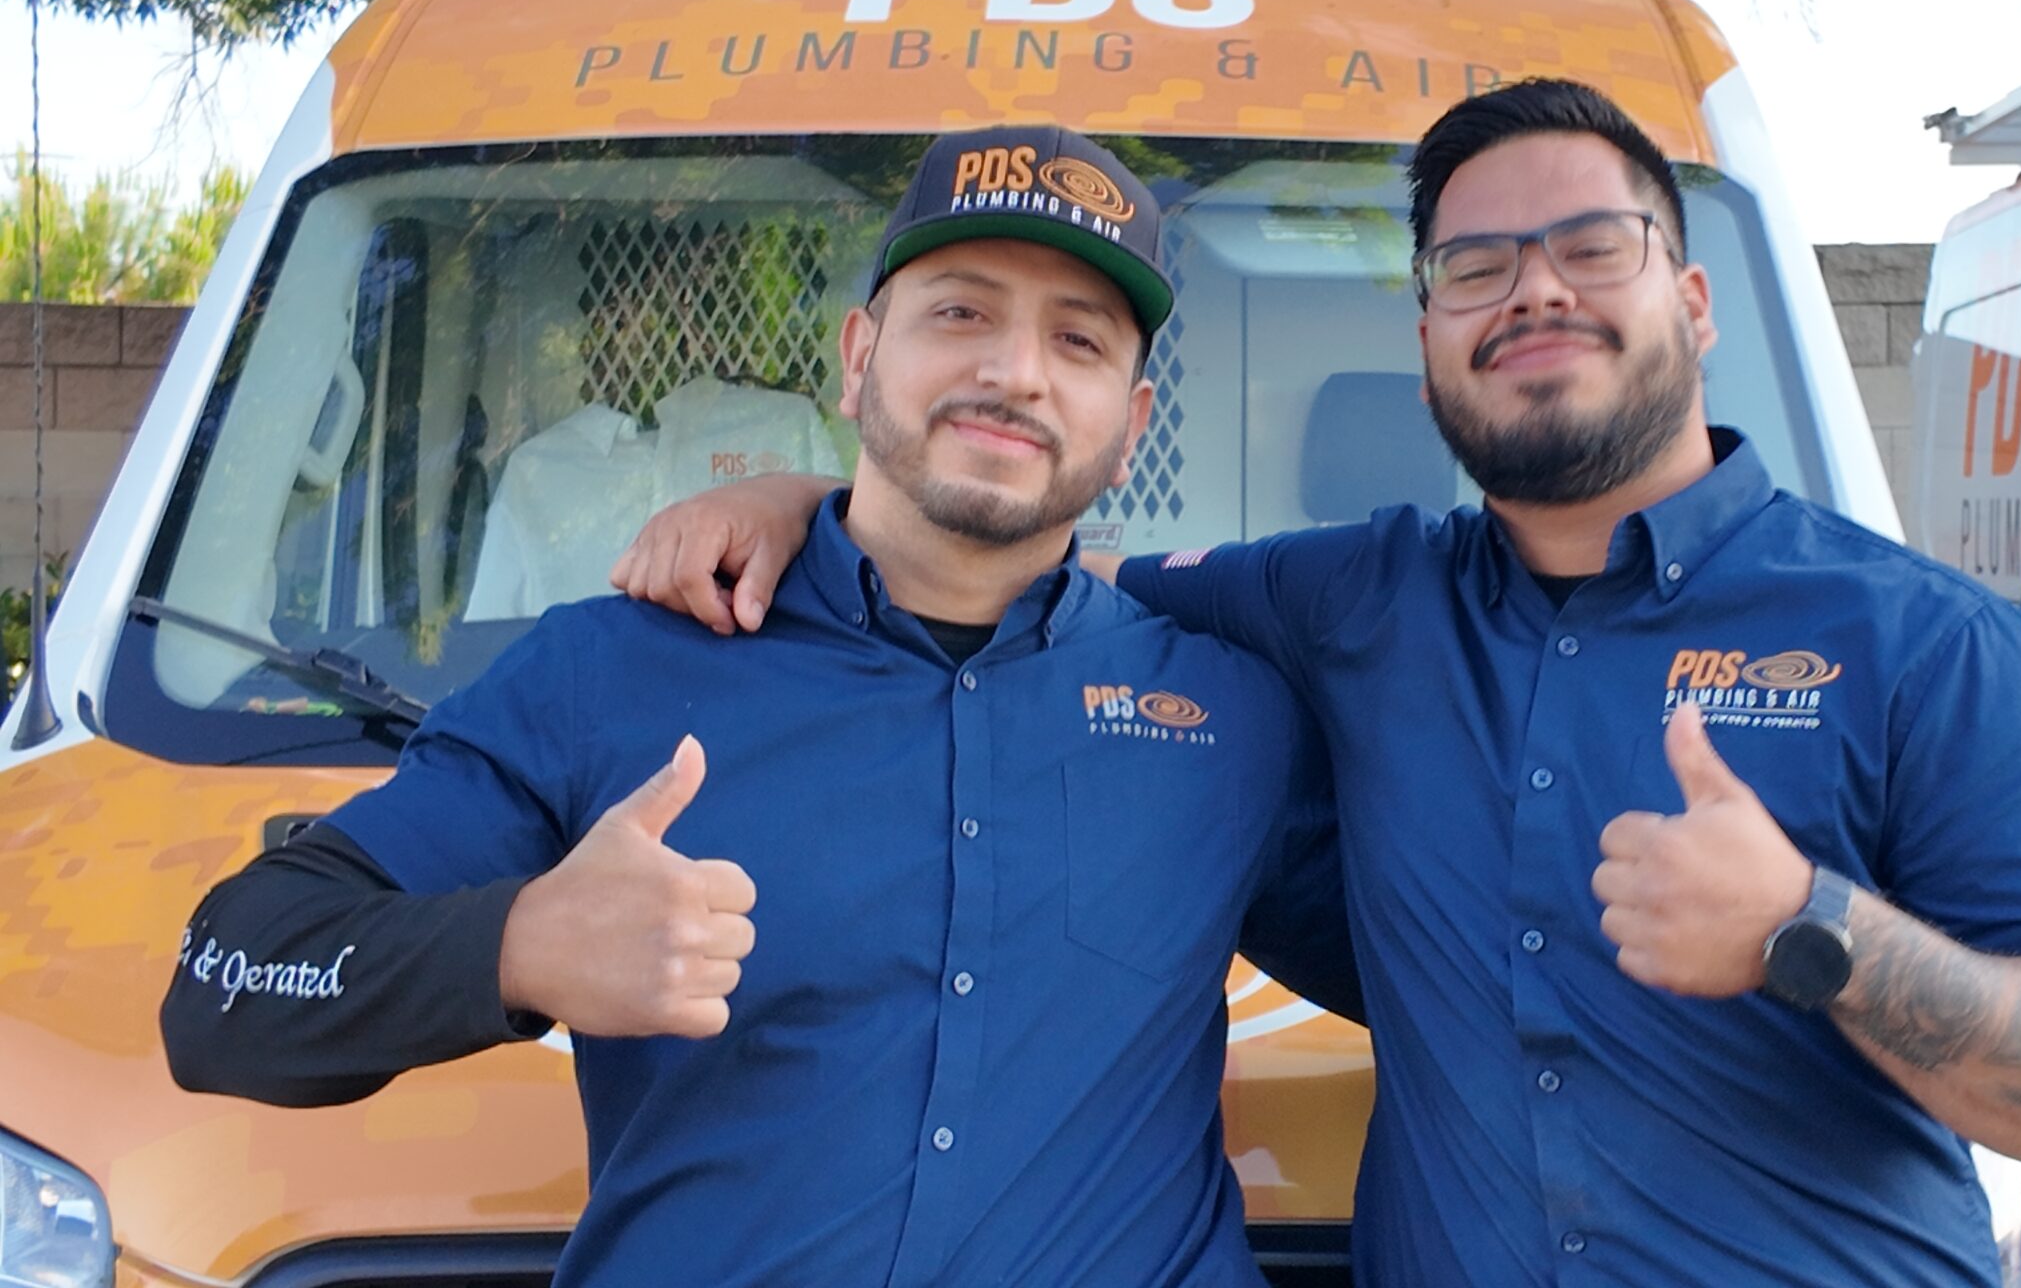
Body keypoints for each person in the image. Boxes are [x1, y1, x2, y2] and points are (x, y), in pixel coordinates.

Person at [616, 80, 2021, 1287]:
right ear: (1432, 327)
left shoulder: (1928, 647)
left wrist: (1813, 931)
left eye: (1593, 246)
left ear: (1694, 301)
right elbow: (1027, 566)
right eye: (1475, 265)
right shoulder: (1360, 595)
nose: (1535, 291)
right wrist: (814, 507)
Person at [159, 126, 1353, 1288]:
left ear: (1132, 423)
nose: (1014, 370)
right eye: (960, 313)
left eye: (1079, 341)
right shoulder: (612, 672)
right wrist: (517, 945)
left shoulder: (1228, 713)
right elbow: (223, 986)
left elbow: (1472, 961)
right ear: (856, 357)